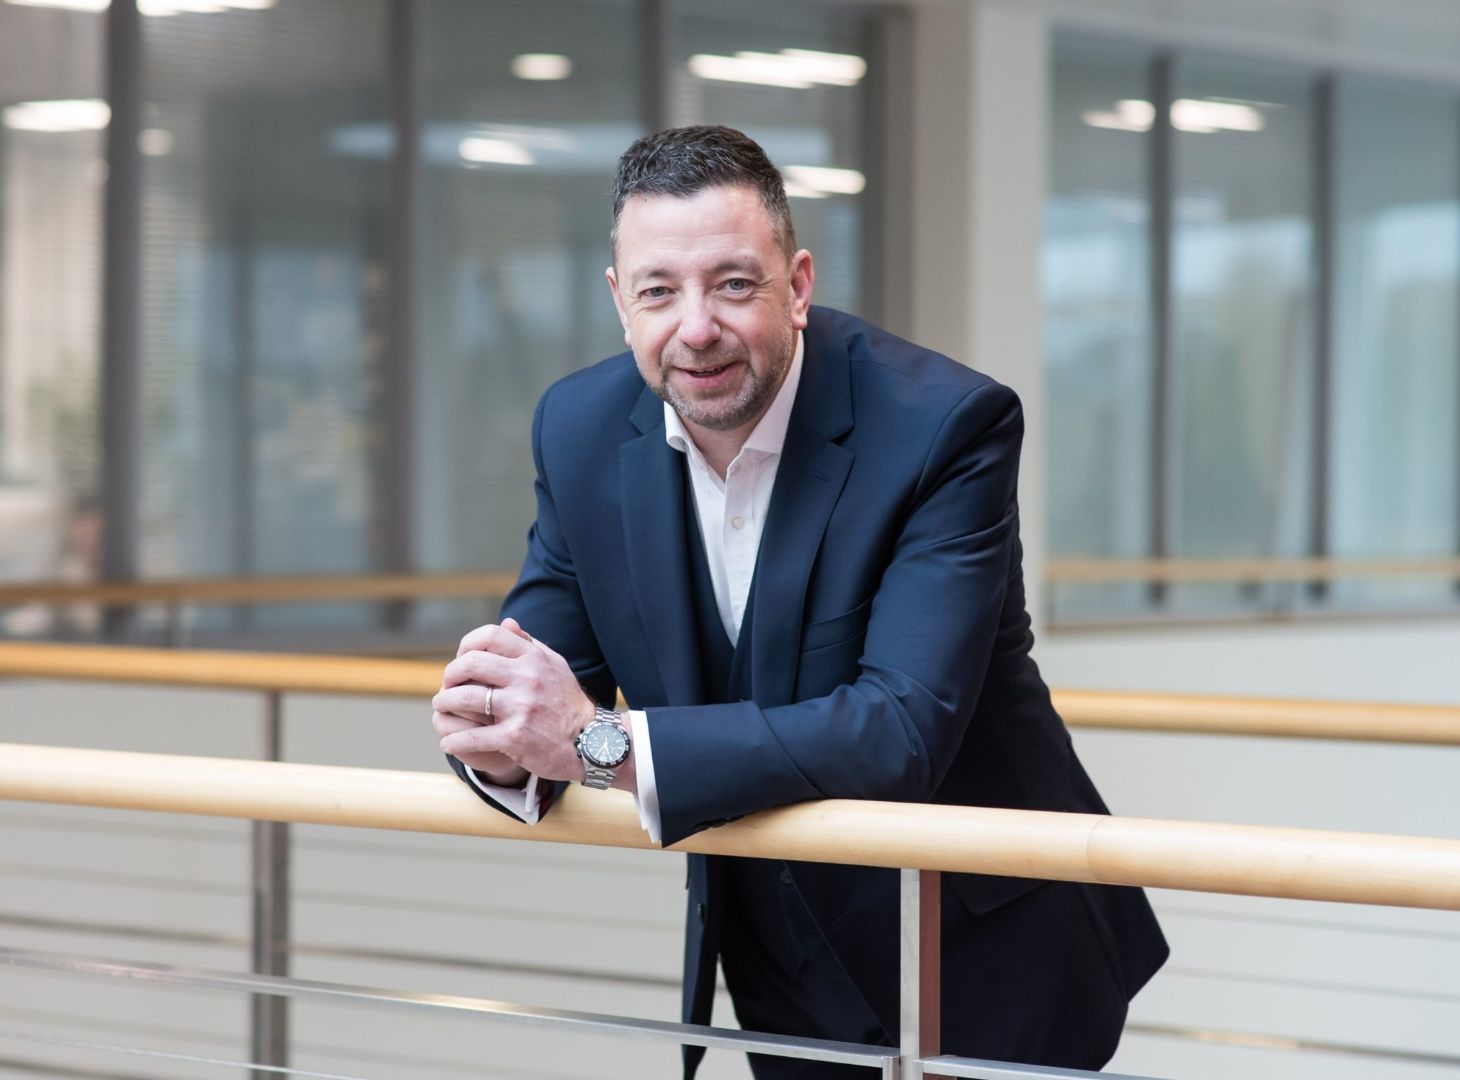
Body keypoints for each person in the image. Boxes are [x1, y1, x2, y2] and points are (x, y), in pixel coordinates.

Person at [431, 125, 1168, 1079]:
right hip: (775, 966)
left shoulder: (945, 427)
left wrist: (593, 745)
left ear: (800, 285)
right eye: (659, 291)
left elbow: (901, 729)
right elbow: (541, 683)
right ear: (621, 303)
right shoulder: (576, 429)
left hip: (982, 947)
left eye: (734, 283)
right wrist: (493, 726)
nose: (696, 326)